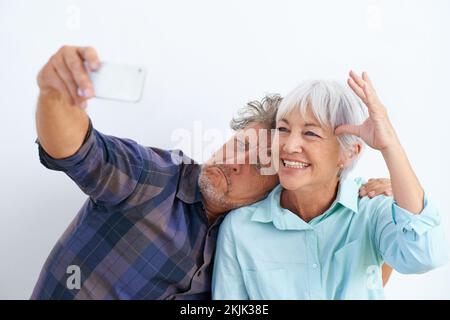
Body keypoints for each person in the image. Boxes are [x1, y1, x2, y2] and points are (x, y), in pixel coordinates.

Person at [32, 45, 393, 299]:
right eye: (240, 143)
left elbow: (351, 282)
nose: (235, 160)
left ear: (275, 191)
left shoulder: (251, 241)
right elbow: (79, 150)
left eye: (256, 165)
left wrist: (384, 219)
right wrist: (56, 94)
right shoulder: (154, 177)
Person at [212, 73, 449, 300]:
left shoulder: (372, 211)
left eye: (311, 133)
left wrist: (389, 145)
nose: (290, 145)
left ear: (348, 153)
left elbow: (424, 255)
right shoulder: (240, 227)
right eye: (283, 129)